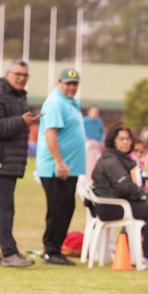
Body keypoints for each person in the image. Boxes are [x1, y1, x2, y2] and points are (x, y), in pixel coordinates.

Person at [0, 59, 40, 267]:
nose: (21, 78)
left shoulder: (18, 96)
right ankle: (10, 253)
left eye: (25, 75)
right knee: (3, 208)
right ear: (7, 73)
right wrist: (21, 121)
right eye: (17, 74)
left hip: (6, 162)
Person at [91, 122, 148, 271]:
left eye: (128, 139)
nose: (126, 142)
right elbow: (125, 186)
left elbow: (133, 181)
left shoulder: (121, 157)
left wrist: (145, 185)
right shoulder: (111, 160)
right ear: (113, 140)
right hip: (111, 206)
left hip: (121, 201)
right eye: (121, 139)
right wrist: (144, 197)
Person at [36, 67, 87, 266]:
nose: (71, 87)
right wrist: (59, 161)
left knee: (66, 207)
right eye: (68, 83)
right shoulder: (56, 102)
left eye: (74, 84)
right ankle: (51, 250)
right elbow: (50, 134)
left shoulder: (71, 103)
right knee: (57, 209)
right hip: (57, 168)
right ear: (59, 83)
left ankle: (55, 248)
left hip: (69, 168)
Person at [83, 106, 105, 181]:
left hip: (97, 145)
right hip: (87, 145)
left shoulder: (99, 121)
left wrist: (100, 141)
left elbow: (102, 132)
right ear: (89, 112)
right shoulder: (85, 121)